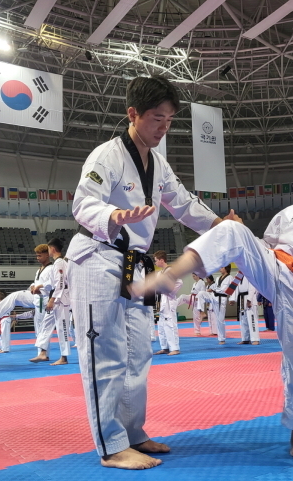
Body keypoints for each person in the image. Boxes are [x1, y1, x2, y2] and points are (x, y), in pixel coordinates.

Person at [142, 140, 293, 470]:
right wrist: (243, 235)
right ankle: (170, 275)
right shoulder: (289, 213)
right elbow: (264, 245)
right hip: (273, 265)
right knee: (230, 228)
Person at [65, 75, 224, 470]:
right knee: (105, 354)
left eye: (170, 120)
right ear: (132, 114)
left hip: (135, 264)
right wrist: (113, 216)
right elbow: (84, 203)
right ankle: (111, 446)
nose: (163, 127)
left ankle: (133, 432)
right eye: (157, 118)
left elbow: (183, 203)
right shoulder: (107, 156)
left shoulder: (158, 163)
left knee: (138, 354)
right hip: (98, 255)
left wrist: (219, 224)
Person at [39, 238, 72, 366]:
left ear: (52, 249)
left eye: (48, 249)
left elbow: (60, 283)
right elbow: (53, 283)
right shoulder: (59, 263)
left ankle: (64, 357)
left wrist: (52, 299)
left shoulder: (59, 263)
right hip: (60, 298)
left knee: (62, 328)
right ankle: (45, 351)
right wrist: (40, 286)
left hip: (61, 299)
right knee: (58, 327)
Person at [153, 250, 183, 356]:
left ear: (162, 260)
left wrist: (169, 292)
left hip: (169, 301)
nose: (155, 262)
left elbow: (180, 282)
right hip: (161, 301)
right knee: (161, 325)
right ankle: (165, 347)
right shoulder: (160, 273)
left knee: (170, 325)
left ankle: (175, 348)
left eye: (156, 260)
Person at [29, 244, 55, 362]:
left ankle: (44, 353)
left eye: (40, 255)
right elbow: (35, 282)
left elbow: (53, 284)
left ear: (47, 254)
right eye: (37, 256)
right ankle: (42, 353)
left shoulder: (52, 268)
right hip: (37, 300)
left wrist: (40, 287)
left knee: (44, 328)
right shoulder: (39, 269)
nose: (37, 258)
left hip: (46, 300)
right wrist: (33, 287)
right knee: (38, 329)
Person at [199, 266, 232, 344]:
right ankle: (202, 312)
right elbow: (214, 287)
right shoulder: (218, 278)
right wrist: (209, 289)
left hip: (221, 299)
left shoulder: (230, 278)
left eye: (222, 267)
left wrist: (232, 299)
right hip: (214, 296)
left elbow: (230, 289)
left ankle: (222, 339)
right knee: (201, 294)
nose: (220, 268)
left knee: (220, 320)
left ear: (226, 268)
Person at [229, 273, 260, 345]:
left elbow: (252, 287)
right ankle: (245, 339)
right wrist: (232, 299)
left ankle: (255, 339)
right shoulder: (238, 275)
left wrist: (249, 299)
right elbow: (234, 287)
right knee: (243, 320)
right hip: (242, 299)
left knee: (252, 319)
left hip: (250, 298)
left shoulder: (249, 272)